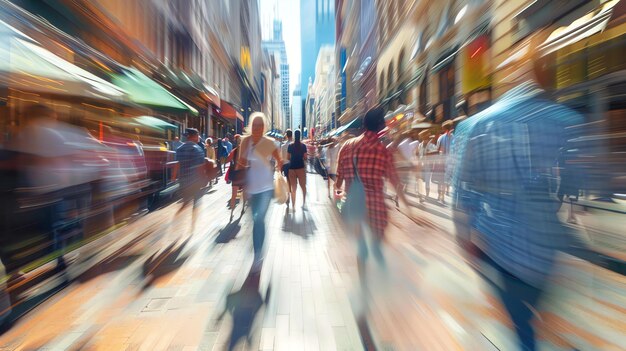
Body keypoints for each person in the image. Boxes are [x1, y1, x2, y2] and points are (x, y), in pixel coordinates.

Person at [451, 80, 589, 351]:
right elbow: (581, 174)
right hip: (546, 246)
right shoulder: (564, 121)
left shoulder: (478, 124)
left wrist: (463, 239)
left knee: (522, 325)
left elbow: (462, 193)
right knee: (533, 318)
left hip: (499, 245)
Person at [335, 107, 406, 269]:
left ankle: (364, 281)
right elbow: (395, 181)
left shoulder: (347, 146)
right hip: (376, 207)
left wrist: (339, 205)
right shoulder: (383, 152)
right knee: (377, 239)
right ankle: (377, 254)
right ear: (381, 126)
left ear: (364, 124)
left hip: (354, 205)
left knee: (360, 245)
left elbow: (338, 182)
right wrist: (409, 207)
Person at [235, 113, 282, 272]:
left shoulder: (269, 143)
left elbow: (279, 161)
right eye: (254, 125)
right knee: (256, 221)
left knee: (258, 219)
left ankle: (257, 255)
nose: (257, 128)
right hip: (251, 189)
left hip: (266, 189)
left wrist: (279, 169)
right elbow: (240, 164)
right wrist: (237, 185)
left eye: (260, 125)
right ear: (250, 126)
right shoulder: (245, 141)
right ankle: (258, 250)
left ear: (264, 128)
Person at [172, 128, 205, 235]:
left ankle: (176, 220)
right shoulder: (197, 149)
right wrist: (203, 179)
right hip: (194, 181)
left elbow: (177, 164)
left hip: (183, 180)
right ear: (193, 136)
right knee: (196, 204)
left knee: (185, 203)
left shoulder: (180, 149)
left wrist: (173, 177)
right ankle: (192, 227)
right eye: (198, 135)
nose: (199, 137)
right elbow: (199, 167)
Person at [287, 130, 308, 210]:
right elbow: (305, 157)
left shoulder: (290, 146)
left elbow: (287, 157)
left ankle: (293, 206)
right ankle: (303, 203)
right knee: (303, 187)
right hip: (301, 168)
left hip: (292, 168)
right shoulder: (303, 146)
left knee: (293, 188)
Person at [435, 120, 454, 203]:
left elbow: (437, 149)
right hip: (450, 161)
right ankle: (445, 192)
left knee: (441, 180)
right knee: (447, 178)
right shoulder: (454, 137)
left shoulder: (441, 138)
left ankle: (440, 195)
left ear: (444, 129)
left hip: (442, 162)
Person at [280, 130, 293, 209]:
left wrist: (280, 168)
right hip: (292, 165)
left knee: (288, 180)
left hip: (285, 165)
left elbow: (281, 157)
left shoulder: (283, 146)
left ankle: (288, 195)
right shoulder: (293, 145)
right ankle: (290, 195)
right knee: (292, 181)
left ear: (286, 135)